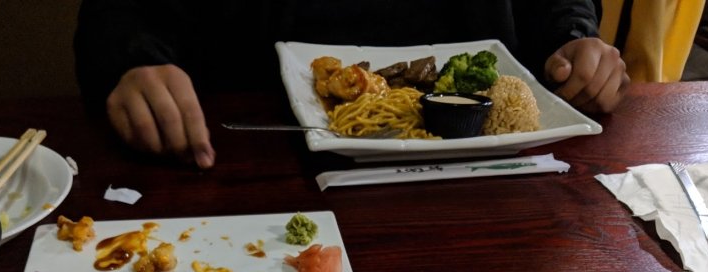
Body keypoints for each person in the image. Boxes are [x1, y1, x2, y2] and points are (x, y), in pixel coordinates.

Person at [75, 1, 628, 169]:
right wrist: (133, 61)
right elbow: (120, 14)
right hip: (263, 158)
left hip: (492, 170)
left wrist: (574, 37)